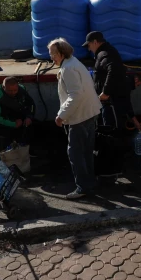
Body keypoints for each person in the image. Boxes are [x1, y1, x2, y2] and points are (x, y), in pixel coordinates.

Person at [48, 37, 102, 200]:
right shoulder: (74, 63)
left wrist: (61, 115)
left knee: (75, 154)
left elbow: (75, 95)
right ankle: (89, 182)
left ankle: (83, 187)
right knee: (86, 152)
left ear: (61, 53)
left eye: (52, 54)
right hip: (89, 113)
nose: (51, 57)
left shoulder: (68, 69)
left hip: (79, 117)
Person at [83, 31, 141, 132]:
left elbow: (113, 69)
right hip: (109, 102)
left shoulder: (104, 53)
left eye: (89, 45)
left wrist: (105, 92)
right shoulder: (106, 52)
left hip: (111, 103)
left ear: (95, 42)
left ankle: (113, 146)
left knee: (111, 131)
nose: (89, 48)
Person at [0, 76, 36, 148]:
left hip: (21, 121)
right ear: (4, 87)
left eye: (15, 90)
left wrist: (29, 117)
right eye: (10, 91)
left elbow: (31, 104)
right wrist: (13, 124)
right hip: (3, 125)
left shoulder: (22, 89)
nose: (13, 93)